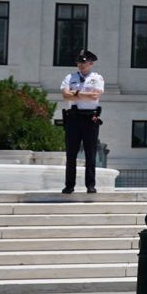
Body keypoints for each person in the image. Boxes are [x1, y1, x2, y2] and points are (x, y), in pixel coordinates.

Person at [59, 49, 104, 194]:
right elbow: (66, 95)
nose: (81, 65)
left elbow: (95, 96)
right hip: (73, 117)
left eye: (83, 63)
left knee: (90, 154)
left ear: (91, 63)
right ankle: (69, 185)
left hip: (90, 118)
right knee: (70, 154)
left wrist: (75, 94)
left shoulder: (97, 78)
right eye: (79, 62)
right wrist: (83, 94)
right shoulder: (70, 77)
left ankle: (90, 185)